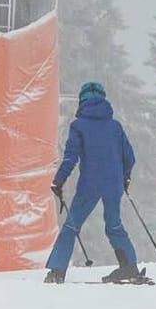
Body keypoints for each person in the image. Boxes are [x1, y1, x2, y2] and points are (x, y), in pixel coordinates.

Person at [45, 81, 141, 284]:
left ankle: (57, 271)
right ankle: (129, 267)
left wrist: (59, 180)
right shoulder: (115, 126)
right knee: (114, 225)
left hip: (90, 184)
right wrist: (125, 177)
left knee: (72, 226)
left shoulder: (78, 126)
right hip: (114, 184)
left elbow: (71, 158)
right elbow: (129, 157)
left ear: (82, 100)